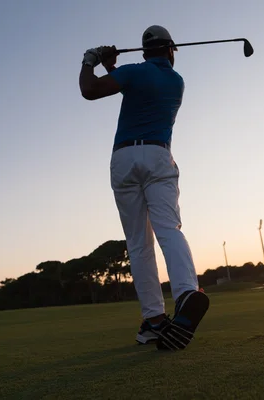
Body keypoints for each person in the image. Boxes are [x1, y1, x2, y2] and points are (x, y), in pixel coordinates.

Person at [78, 25, 209, 351]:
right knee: (169, 229)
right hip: (157, 155)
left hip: (123, 158)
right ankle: (186, 293)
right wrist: (114, 67)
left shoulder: (133, 72)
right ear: (170, 51)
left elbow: (90, 90)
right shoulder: (176, 82)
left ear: (144, 51)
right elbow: (136, 83)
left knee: (138, 243)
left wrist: (90, 60)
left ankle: (153, 320)